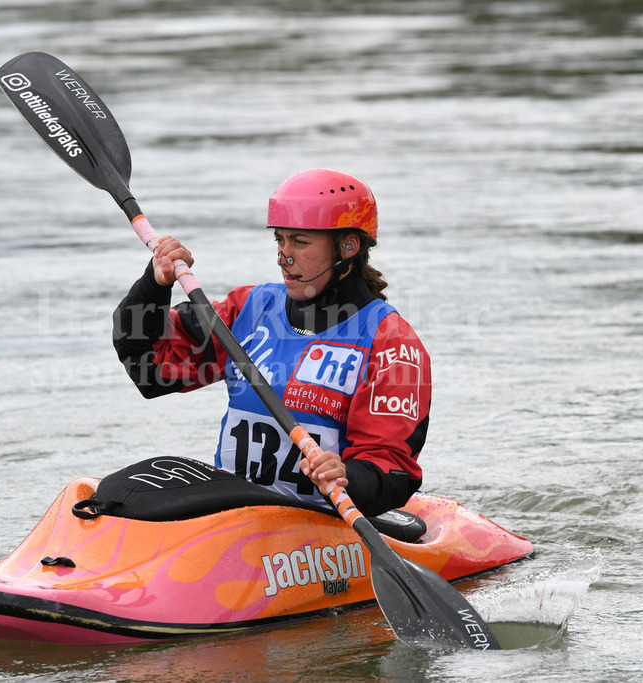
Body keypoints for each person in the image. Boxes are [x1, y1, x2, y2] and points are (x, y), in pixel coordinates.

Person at [112, 168, 430, 516]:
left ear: (348, 246)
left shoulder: (390, 342)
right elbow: (149, 371)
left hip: (319, 523)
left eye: (300, 242)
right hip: (234, 514)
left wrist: (348, 477)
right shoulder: (248, 309)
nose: (284, 256)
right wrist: (154, 285)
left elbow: (391, 465)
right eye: (280, 240)